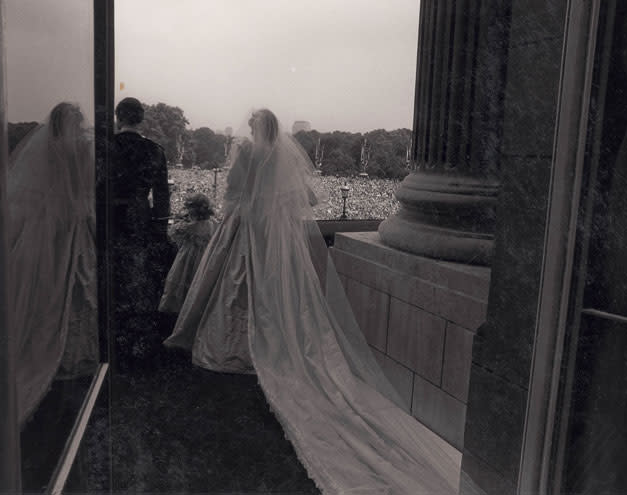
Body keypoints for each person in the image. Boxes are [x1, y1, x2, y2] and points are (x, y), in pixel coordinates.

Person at [165, 108, 462, 493]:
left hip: (246, 231)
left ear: (253, 129)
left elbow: (234, 194)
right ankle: (279, 342)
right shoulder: (281, 157)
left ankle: (236, 345)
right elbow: (307, 197)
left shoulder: (245, 153)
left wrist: (247, 209)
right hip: (276, 238)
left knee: (236, 291)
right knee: (279, 296)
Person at [9, 102, 98, 425]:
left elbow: (26, 194)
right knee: (73, 285)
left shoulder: (45, 149)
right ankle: (71, 351)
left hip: (42, 227)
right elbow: (85, 196)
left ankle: (42, 344)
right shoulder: (83, 150)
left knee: (43, 288)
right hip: (71, 225)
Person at [106, 96, 172, 365]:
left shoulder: (105, 147)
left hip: (109, 216)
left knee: (110, 273)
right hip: (139, 217)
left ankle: (111, 336)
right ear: (141, 119)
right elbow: (162, 194)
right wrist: (160, 227)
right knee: (138, 276)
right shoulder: (155, 150)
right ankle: (138, 340)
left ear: (118, 117)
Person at [158, 193, 216, 314]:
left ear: (194, 211)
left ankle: (181, 312)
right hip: (207, 257)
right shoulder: (212, 224)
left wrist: (181, 221)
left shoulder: (192, 226)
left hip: (189, 258)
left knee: (184, 280)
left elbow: (172, 232)